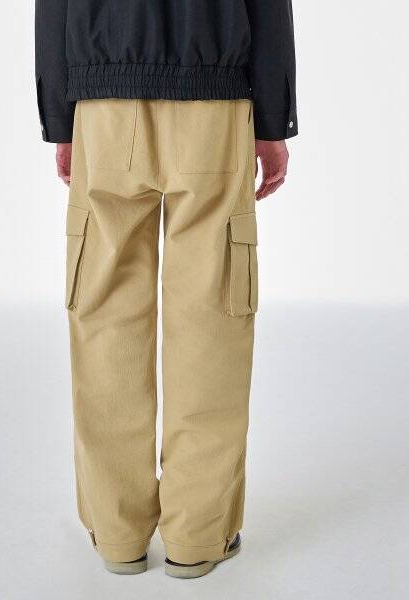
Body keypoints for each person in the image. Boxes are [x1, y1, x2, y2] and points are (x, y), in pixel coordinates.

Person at [35, 0, 297, 579]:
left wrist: (61, 116)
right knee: (211, 318)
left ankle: (118, 533)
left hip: (104, 105)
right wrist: (273, 119)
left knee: (105, 317)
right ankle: (198, 536)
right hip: (214, 105)